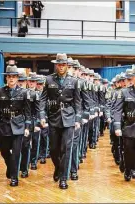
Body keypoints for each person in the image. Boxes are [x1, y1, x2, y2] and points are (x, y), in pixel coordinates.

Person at [39, 53, 82, 189]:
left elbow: (78, 102)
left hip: (69, 118)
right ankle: (58, 167)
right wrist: (42, 115)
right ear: (56, 65)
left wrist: (78, 119)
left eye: (63, 64)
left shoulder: (74, 81)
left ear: (67, 66)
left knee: (66, 149)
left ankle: (64, 178)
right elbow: (43, 99)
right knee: (53, 149)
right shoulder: (49, 79)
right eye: (59, 64)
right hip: (53, 118)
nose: (61, 67)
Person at [0, 64, 31, 187]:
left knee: (16, 153)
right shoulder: (0, 91)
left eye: (14, 76)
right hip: (4, 125)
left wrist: (27, 127)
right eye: (9, 76)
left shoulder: (24, 92)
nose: (11, 79)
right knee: (3, 149)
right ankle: (10, 167)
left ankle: (14, 177)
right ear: (6, 78)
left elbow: (27, 112)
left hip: (18, 126)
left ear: (17, 78)